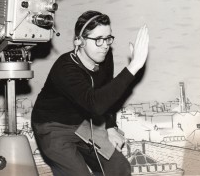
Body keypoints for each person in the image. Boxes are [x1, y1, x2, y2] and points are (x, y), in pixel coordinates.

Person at [31, 10, 149, 176]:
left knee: (119, 168)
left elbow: (107, 93)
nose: (105, 45)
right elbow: (95, 104)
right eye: (98, 40)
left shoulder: (104, 56)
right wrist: (134, 66)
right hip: (52, 126)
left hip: (84, 122)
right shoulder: (65, 68)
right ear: (79, 41)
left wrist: (110, 127)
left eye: (108, 38)